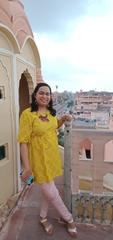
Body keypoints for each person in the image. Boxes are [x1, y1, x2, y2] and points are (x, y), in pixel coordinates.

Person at [18, 82, 77, 238]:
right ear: (35, 95)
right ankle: (69, 219)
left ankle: (43, 218)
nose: (45, 96)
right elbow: (23, 142)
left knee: (47, 192)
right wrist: (26, 167)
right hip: (37, 160)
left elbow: (53, 127)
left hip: (51, 158)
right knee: (52, 193)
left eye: (48, 94)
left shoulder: (51, 113)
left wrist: (62, 119)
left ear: (50, 97)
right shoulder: (27, 114)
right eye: (42, 93)